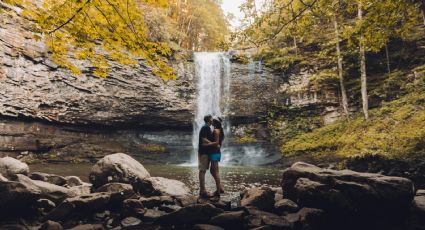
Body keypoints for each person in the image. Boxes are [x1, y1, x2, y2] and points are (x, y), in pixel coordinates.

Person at [198, 114, 218, 198]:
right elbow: (203, 139)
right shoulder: (205, 127)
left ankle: (203, 190)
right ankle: (202, 190)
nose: (213, 119)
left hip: (206, 152)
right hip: (204, 152)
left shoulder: (208, 127)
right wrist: (214, 144)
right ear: (209, 120)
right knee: (202, 170)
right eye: (211, 118)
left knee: (204, 170)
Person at [209, 117, 225, 197]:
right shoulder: (219, 130)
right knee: (212, 171)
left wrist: (205, 143)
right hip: (216, 152)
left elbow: (217, 143)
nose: (210, 122)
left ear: (215, 123)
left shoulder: (216, 131)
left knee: (215, 171)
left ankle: (218, 191)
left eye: (212, 121)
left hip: (214, 152)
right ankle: (220, 188)